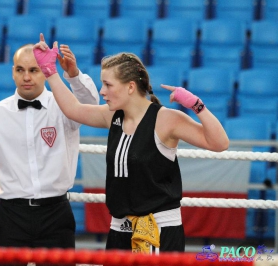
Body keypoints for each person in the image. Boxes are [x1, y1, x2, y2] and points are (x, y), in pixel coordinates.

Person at [33, 34, 229, 253]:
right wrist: (50, 71)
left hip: (159, 229)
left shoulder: (165, 119)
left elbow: (220, 143)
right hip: (119, 227)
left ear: (130, 87)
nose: (102, 91)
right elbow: (74, 110)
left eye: (107, 84)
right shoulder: (113, 116)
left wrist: (196, 104)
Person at [0, 44, 99, 259]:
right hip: (10, 216)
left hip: (56, 214)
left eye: (33, 70)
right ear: (12, 72)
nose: (26, 77)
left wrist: (73, 75)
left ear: (45, 71)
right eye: (20, 70)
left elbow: (92, 107)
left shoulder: (65, 108)